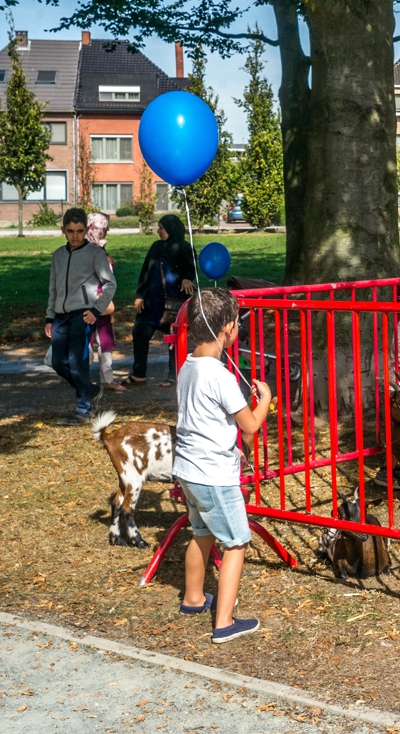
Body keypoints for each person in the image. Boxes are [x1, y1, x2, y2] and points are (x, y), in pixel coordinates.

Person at [174, 288, 271, 643]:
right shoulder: (220, 376)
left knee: (201, 533)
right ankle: (224, 623)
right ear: (228, 329)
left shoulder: (188, 366)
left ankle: (194, 598)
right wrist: (266, 399)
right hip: (214, 476)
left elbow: (206, 420)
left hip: (188, 470)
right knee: (236, 542)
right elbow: (251, 425)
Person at [45, 208, 117, 424]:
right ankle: (91, 390)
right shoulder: (58, 256)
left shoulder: (95, 255)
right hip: (60, 316)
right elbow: (53, 288)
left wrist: (96, 310)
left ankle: (83, 409)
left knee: (77, 362)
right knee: (58, 363)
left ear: (86, 230)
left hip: (83, 315)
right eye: (70, 231)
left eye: (79, 231)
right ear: (63, 231)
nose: (75, 236)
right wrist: (50, 317)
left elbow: (110, 283)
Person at [125, 214, 197, 388]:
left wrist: (187, 278)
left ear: (171, 229)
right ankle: (138, 373)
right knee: (140, 332)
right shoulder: (156, 247)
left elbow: (191, 267)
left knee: (174, 339)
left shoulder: (185, 248)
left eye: (161, 228)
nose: (158, 231)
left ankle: (175, 375)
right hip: (152, 302)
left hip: (174, 303)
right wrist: (140, 295)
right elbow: (146, 271)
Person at [86, 212, 125, 394]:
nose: (107, 230)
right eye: (104, 228)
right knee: (89, 339)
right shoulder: (89, 251)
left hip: (100, 300)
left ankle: (105, 378)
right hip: (91, 301)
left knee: (104, 339)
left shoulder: (98, 248)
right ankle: (87, 379)